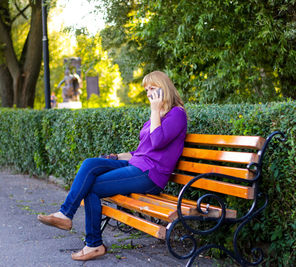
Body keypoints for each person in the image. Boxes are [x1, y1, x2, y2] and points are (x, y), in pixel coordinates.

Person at [37, 70, 188, 261]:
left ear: (164, 88)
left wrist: (155, 110)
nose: (149, 93)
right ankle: (66, 216)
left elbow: (157, 142)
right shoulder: (156, 117)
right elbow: (141, 151)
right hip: (137, 166)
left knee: (91, 188)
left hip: (151, 174)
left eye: (153, 88)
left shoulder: (176, 114)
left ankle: (91, 242)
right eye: (147, 90)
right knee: (90, 164)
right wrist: (117, 157)